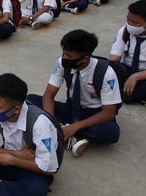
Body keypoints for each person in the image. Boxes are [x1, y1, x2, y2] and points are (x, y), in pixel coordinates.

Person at [27, 29, 120, 158]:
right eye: (64, 53)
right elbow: (49, 94)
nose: (64, 58)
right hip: (71, 108)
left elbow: (108, 113)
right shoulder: (61, 63)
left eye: (69, 56)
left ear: (84, 58)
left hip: (94, 113)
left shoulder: (106, 73)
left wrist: (75, 127)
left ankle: (67, 132)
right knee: (30, 101)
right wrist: (52, 120)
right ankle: (68, 132)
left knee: (112, 132)